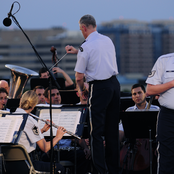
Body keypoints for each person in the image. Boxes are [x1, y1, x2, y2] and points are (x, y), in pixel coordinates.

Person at [65, 14, 120, 174]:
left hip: (99, 88)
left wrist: (82, 90)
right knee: (112, 131)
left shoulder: (86, 47)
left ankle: (99, 170)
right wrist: (78, 52)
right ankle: (113, 170)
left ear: (83, 28)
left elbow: (79, 77)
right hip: (114, 86)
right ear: (94, 26)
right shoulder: (107, 40)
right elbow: (98, 56)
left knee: (95, 133)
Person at [43, 86, 91, 174]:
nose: (57, 96)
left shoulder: (67, 111)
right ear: (46, 99)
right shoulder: (43, 113)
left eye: (58, 94)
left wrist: (85, 147)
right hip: (52, 150)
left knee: (85, 156)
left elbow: (75, 136)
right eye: (53, 95)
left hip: (68, 150)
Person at [15, 90, 65, 173]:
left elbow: (23, 137)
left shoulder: (12, 116)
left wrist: (42, 130)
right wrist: (58, 137)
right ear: (34, 105)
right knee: (59, 168)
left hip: (9, 165)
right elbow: (45, 148)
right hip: (27, 164)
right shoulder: (30, 121)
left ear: (21, 101)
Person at [145, 52, 174, 174]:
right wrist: (172, 83)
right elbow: (149, 90)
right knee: (166, 156)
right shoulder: (164, 60)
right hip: (168, 115)